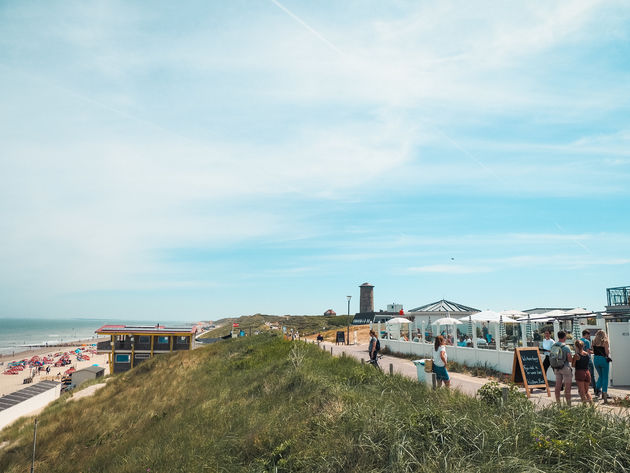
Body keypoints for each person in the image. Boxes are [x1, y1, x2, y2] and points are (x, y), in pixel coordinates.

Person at [550, 331, 573, 406]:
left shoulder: (554, 346)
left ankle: (558, 403)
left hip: (556, 367)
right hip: (565, 367)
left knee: (558, 385)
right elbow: (569, 359)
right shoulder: (566, 347)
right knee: (567, 386)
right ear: (565, 337)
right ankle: (568, 404)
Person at [592, 330, 611, 403]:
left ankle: (597, 391)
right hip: (603, 360)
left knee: (601, 376)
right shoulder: (605, 341)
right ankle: (604, 393)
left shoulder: (593, 341)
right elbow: (607, 352)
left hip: (596, 359)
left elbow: (593, 351)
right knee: (605, 377)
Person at [572, 339, 592, 404]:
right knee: (587, 391)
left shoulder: (576, 355)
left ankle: (584, 407)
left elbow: (573, 365)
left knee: (582, 392)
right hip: (587, 372)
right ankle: (592, 406)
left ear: (576, 346)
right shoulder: (587, 354)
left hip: (579, 373)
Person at [580, 329, 597, 396]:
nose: (589, 337)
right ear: (586, 334)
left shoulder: (578, 341)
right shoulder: (587, 341)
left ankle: (582, 390)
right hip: (587, 360)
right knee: (591, 375)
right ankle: (595, 390)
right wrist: (595, 352)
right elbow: (588, 352)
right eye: (588, 335)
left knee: (582, 375)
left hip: (580, 360)